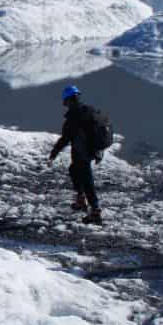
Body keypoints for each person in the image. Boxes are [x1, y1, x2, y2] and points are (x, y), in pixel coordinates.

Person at [49, 84, 110, 225]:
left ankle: (95, 211)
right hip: (92, 150)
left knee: (87, 180)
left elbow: (65, 139)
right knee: (73, 170)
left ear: (68, 100)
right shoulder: (90, 110)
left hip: (82, 153)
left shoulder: (73, 118)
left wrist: (53, 154)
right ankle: (81, 199)